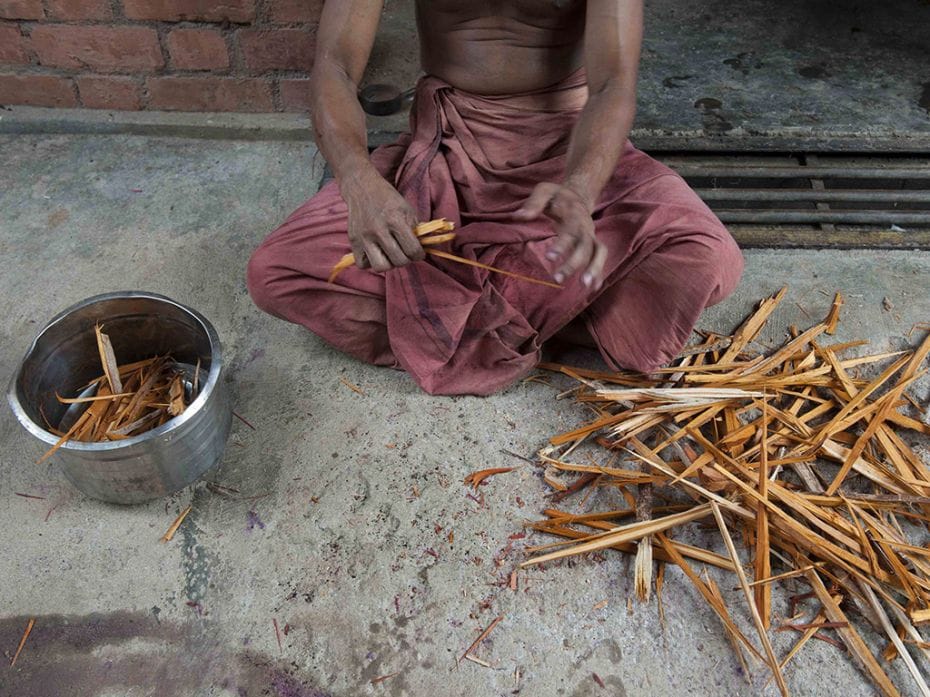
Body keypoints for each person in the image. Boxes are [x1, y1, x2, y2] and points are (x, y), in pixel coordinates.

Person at [247, 0, 743, 396]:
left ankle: (455, 319)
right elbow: (334, 66)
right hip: (449, 142)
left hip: (568, 141)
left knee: (707, 259)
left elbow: (612, 84)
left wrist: (580, 188)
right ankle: (558, 313)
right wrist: (358, 182)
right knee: (277, 272)